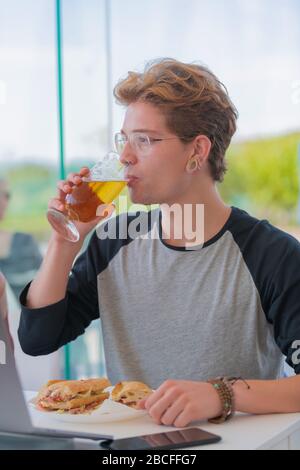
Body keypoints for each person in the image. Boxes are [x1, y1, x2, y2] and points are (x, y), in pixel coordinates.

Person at [18, 58, 300, 427]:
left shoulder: (272, 254)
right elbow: (37, 339)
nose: (124, 157)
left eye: (145, 141)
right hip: (128, 449)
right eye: (124, 140)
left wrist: (221, 395)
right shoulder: (113, 241)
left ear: (197, 151)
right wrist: (64, 242)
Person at [0, 177, 42, 301]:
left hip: (24, 316)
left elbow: (47, 282)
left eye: (7, 195)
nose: (4, 200)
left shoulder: (25, 241)